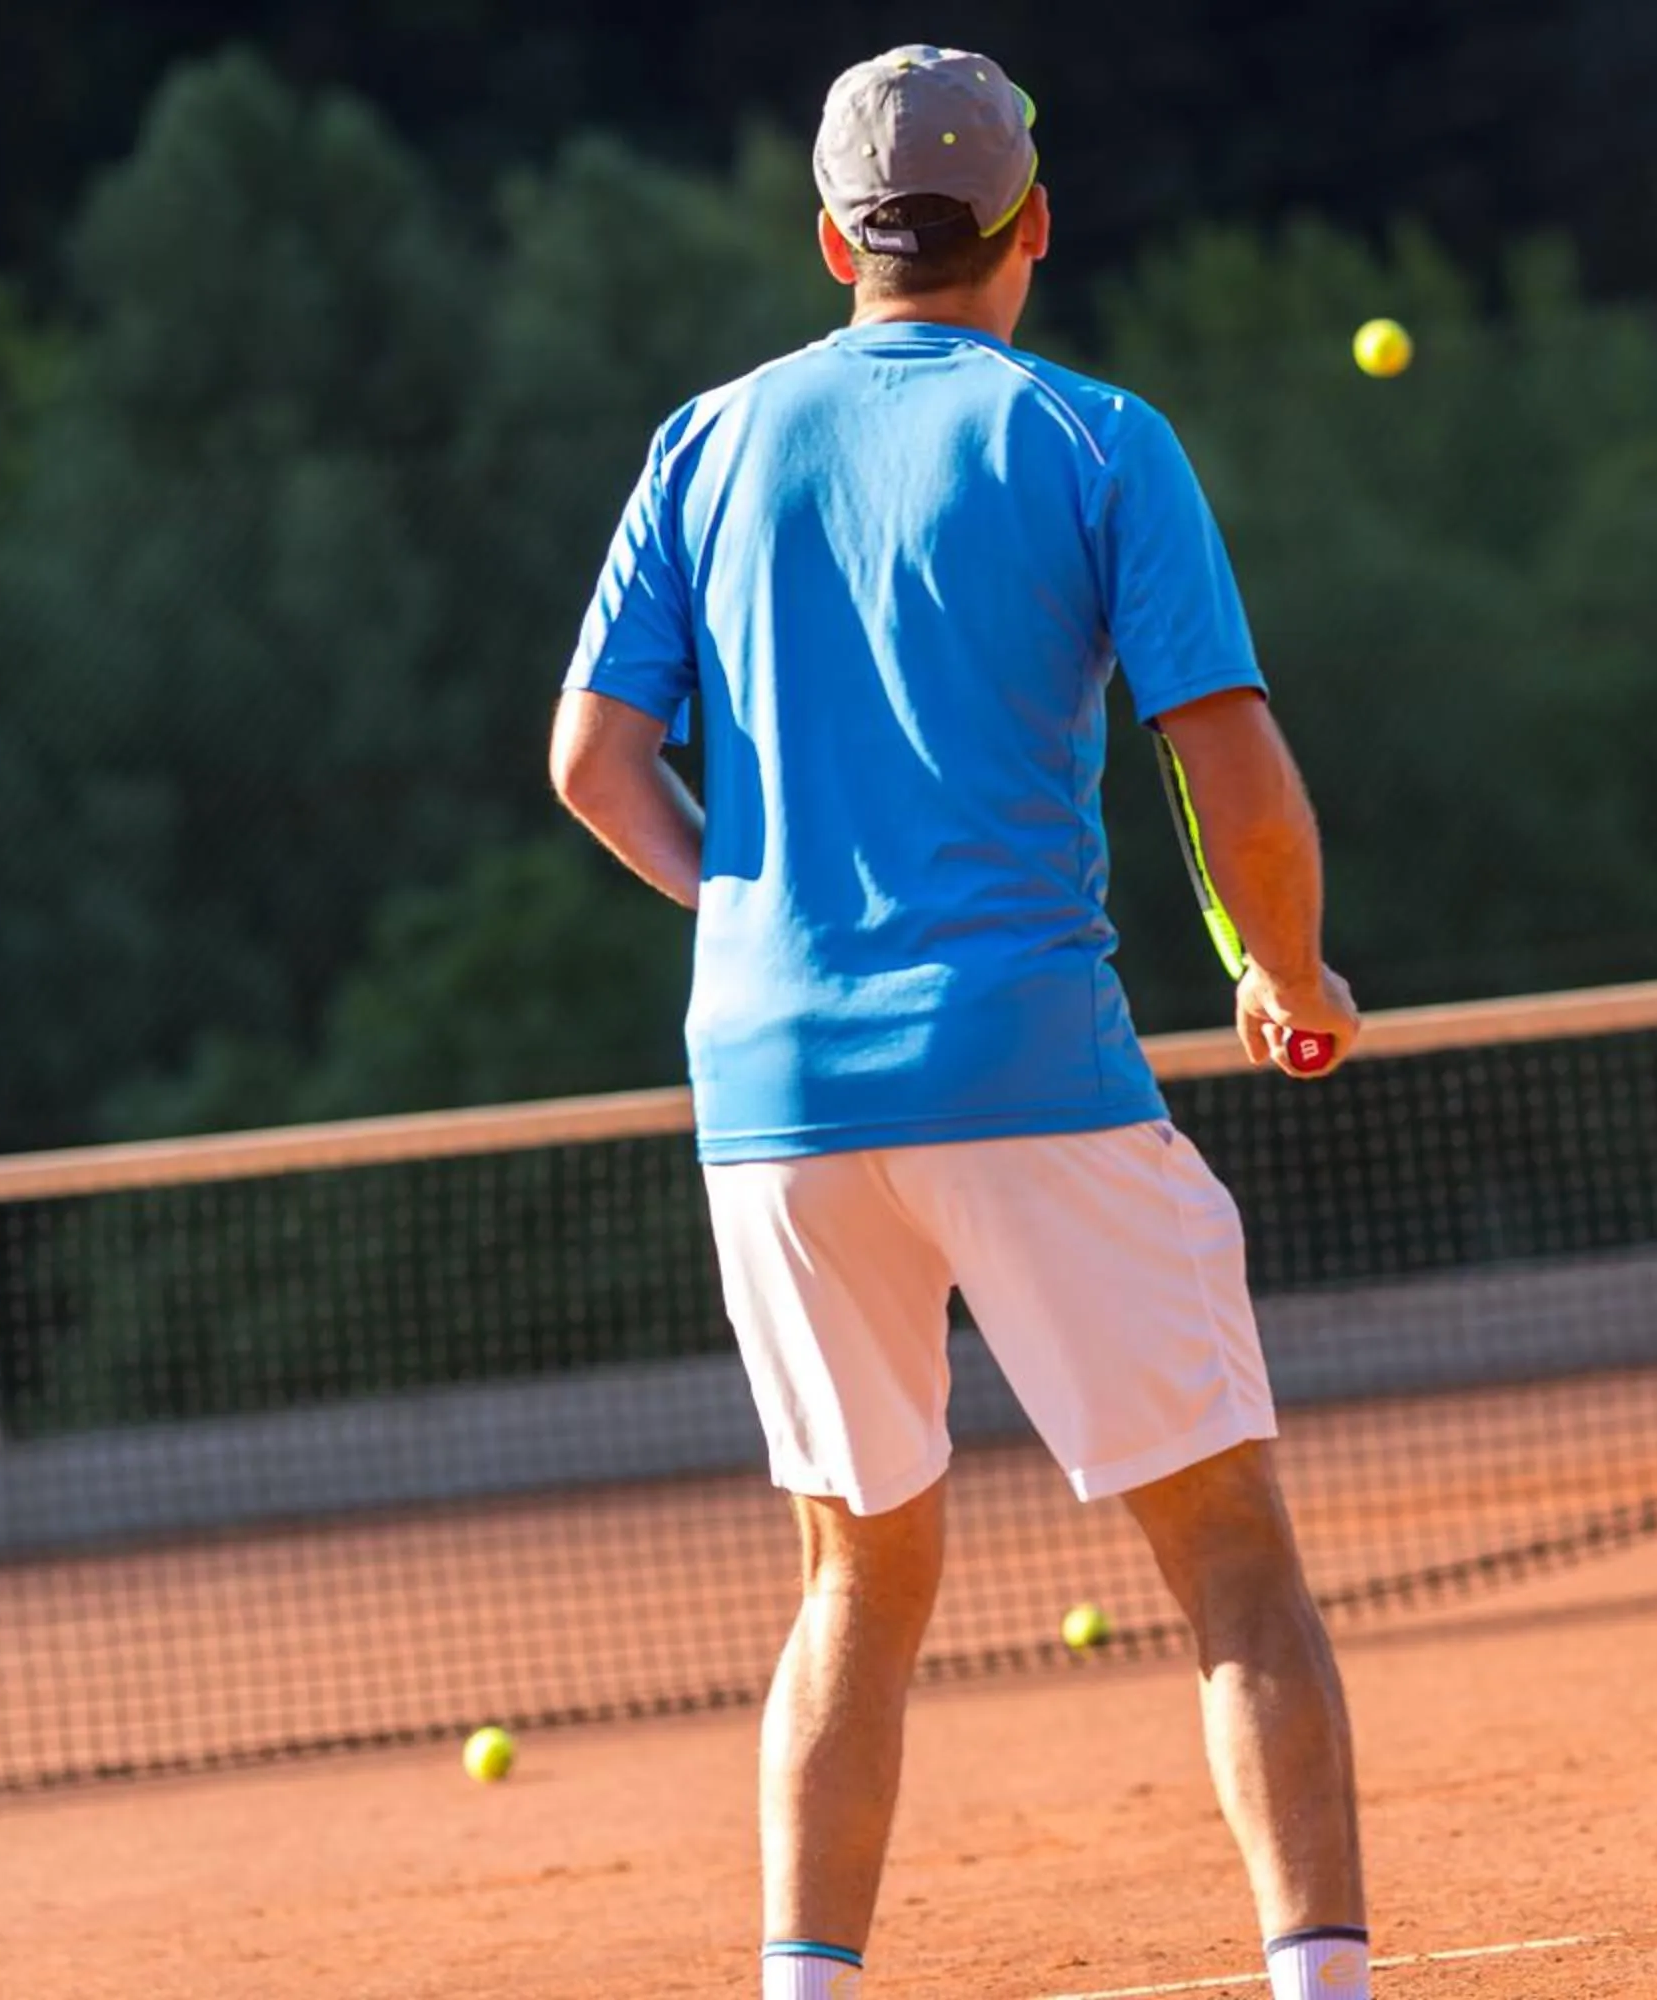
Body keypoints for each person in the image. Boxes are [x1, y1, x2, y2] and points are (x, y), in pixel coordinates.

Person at [546, 47, 1371, 2000]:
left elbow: (592, 759)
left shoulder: (706, 440)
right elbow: (1235, 779)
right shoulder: (1094, 438)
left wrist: (747, 905)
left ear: (833, 239)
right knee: (1233, 1560)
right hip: (1027, 1069)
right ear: (1035, 228)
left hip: (772, 1099)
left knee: (859, 1574)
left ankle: (807, 1986)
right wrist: (1293, 966)